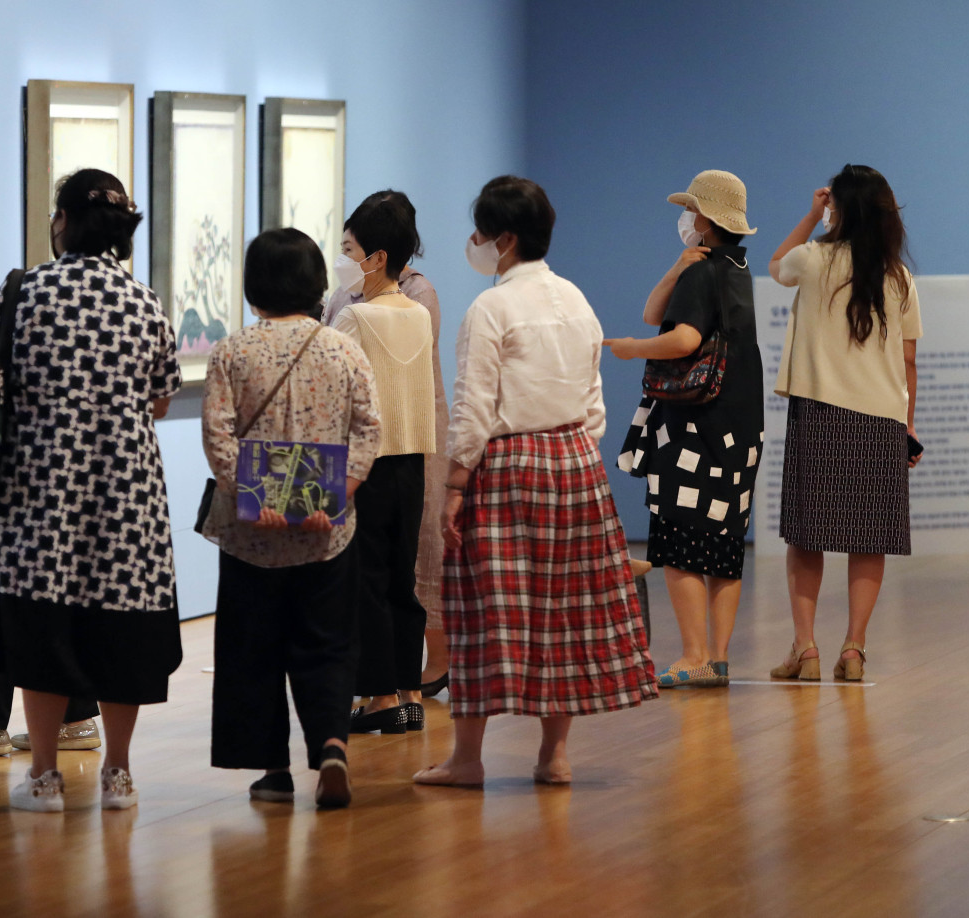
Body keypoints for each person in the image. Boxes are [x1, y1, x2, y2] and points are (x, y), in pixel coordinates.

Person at [415, 176, 656, 788]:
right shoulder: (577, 300)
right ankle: (554, 755)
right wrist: (574, 446)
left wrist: (454, 484)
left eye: (480, 234)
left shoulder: (491, 307)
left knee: (480, 608)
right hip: (576, 459)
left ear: (506, 239)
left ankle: (467, 758)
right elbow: (595, 401)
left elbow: (473, 406)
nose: (474, 244)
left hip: (508, 467)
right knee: (565, 610)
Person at [0, 168, 183, 812]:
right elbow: (161, 402)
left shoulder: (23, 292)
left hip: (39, 490)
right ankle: (117, 773)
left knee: (41, 628)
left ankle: (43, 776)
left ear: (63, 220)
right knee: (124, 634)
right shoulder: (145, 302)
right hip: (128, 491)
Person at [203, 227, 380, 808]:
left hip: (254, 534)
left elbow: (218, 435)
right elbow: (368, 428)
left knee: (252, 649)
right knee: (328, 644)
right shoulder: (342, 348)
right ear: (315, 284)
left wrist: (257, 500)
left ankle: (274, 771)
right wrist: (338, 495)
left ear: (254, 285)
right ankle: (331, 743)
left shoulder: (232, 351)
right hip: (327, 531)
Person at [606, 170, 765, 687]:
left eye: (692, 210)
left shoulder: (703, 274)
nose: (685, 219)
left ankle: (692, 654)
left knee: (677, 539)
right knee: (723, 543)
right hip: (741, 425)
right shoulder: (735, 267)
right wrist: (677, 267)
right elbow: (659, 310)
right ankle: (715, 656)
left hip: (696, 425)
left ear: (705, 218)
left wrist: (632, 349)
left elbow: (681, 339)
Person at [768, 164, 922, 682]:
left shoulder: (811, 260)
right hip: (881, 421)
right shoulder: (898, 275)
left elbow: (773, 265)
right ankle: (854, 648)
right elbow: (908, 362)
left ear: (838, 207)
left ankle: (805, 648)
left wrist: (811, 214)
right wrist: (908, 428)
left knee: (806, 536)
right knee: (869, 538)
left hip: (819, 415)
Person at [324, 191, 451, 697]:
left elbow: (333, 384)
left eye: (349, 248)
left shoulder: (359, 315)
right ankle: (408, 695)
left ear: (378, 257)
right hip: (408, 454)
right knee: (400, 577)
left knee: (372, 577)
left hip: (365, 456)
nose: (342, 258)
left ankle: (379, 697)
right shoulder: (413, 309)